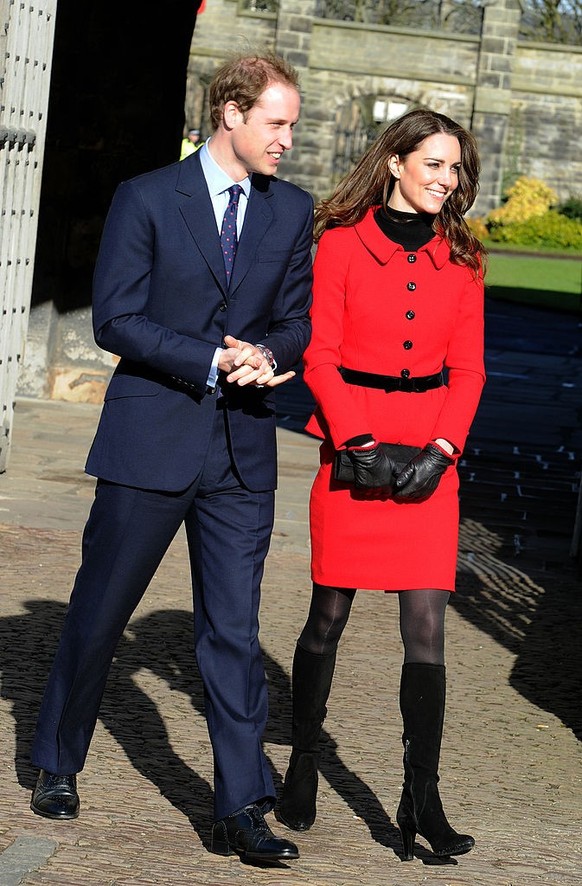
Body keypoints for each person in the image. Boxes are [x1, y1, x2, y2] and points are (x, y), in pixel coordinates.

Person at [29, 52, 314, 865]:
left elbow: (298, 319)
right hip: (150, 438)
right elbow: (116, 318)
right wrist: (209, 358)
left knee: (233, 630)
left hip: (241, 452)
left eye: (291, 124)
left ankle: (240, 807)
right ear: (231, 112)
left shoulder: (292, 213)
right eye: (278, 122)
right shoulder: (148, 197)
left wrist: (267, 351)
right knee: (100, 612)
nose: (288, 139)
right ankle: (56, 760)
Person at [277, 108, 486, 861]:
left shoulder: (464, 259)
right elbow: (320, 355)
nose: (446, 179)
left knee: (426, 628)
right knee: (327, 616)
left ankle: (420, 795)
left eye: (455, 168)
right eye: (434, 163)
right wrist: (354, 438)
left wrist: (442, 448)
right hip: (351, 444)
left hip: (430, 456)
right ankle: (303, 759)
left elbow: (469, 369)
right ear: (395, 162)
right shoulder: (338, 246)